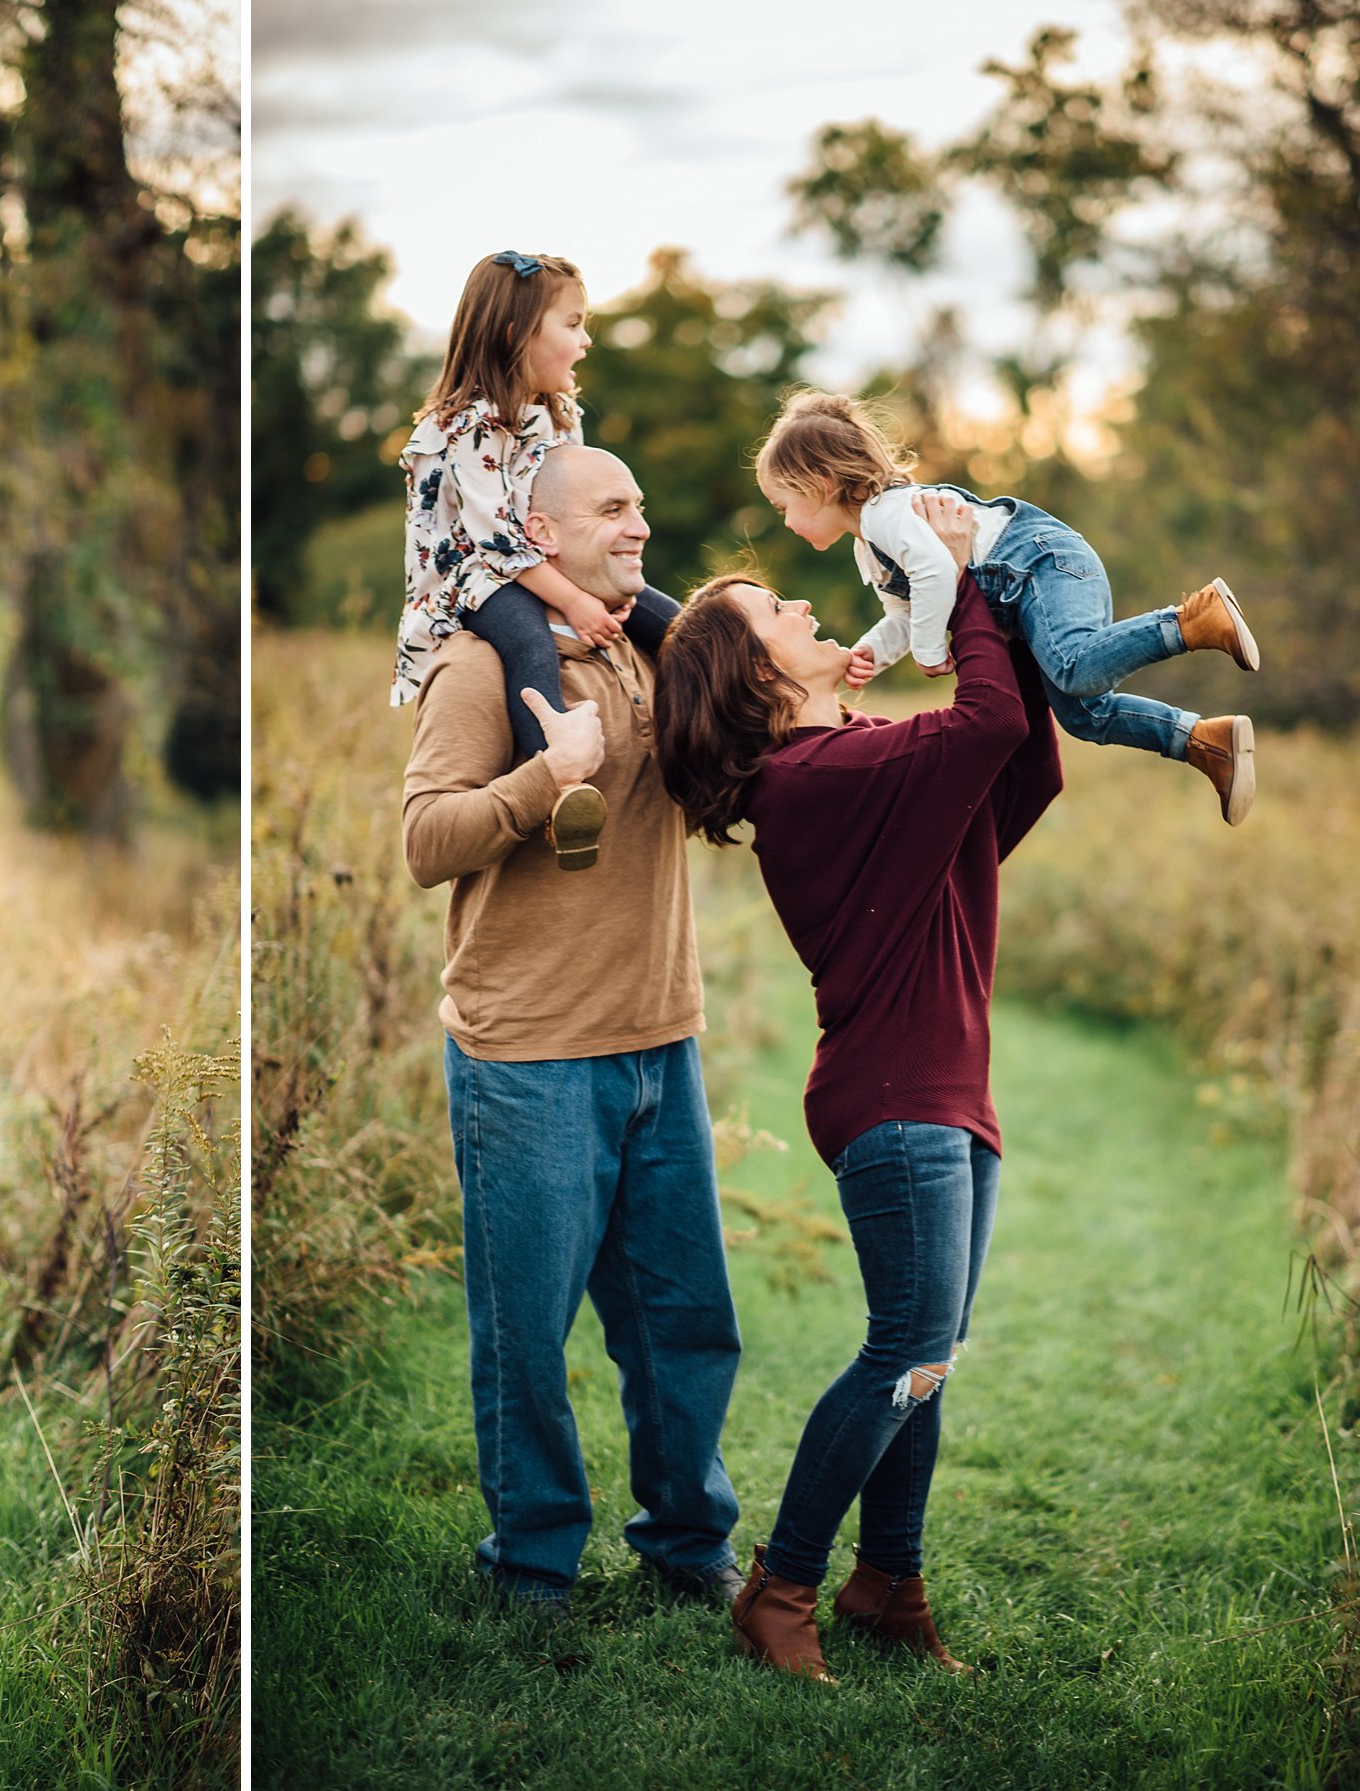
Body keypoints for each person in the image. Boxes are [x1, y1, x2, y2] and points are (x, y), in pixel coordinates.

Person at [653, 494, 1061, 1681]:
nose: (808, 605)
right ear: (754, 680)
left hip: (943, 1094)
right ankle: (782, 1588)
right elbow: (980, 723)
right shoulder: (813, 777)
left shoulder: (852, 765)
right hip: (898, 1102)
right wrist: (956, 577)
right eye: (779, 611)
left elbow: (1019, 769)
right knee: (907, 1352)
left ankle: (890, 1584)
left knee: (929, 1353)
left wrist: (996, 613)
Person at [402, 442, 744, 1618]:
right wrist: (549, 779)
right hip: (528, 1055)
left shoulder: (656, 650)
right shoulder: (478, 667)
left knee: (686, 1323)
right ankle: (535, 1563)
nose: (639, 524)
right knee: (527, 1339)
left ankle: (691, 1542)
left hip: (661, 1036)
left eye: (642, 504)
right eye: (613, 509)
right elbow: (424, 841)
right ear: (539, 534)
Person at [754, 387, 1259, 824]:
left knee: (1075, 668)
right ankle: (1202, 741)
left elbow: (935, 573)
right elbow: (904, 615)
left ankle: (1193, 621)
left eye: (783, 507)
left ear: (818, 486)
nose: (786, 522)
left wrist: (931, 651)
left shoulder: (888, 512)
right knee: (1083, 716)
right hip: (1027, 590)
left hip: (1042, 564)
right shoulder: (868, 546)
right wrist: (868, 654)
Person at [391, 250, 686, 870]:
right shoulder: (469, 425)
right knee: (529, 646)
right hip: (474, 578)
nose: (586, 341)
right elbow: (497, 542)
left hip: (540, 563)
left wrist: (597, 586)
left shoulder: (555, 416)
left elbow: (566, 511)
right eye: (573, 324)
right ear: (515, 334)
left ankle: (759, 711)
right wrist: (577, 600)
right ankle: (558, 788)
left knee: (670, 620)